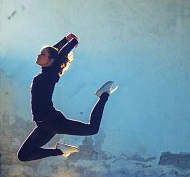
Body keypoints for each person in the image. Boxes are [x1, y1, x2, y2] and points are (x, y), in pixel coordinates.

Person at [17, 33, 117, 162]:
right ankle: (60, 151)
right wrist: (65, 40)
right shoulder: (43, 73)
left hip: (53, 122)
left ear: (50, 61)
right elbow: (53, 52)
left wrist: (71, 43)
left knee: (93, 129)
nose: (38, 55)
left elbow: (58, 56)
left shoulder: (50, 75)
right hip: (43, 126)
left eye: (42, 54)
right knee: (23, 156)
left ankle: (103, 95)